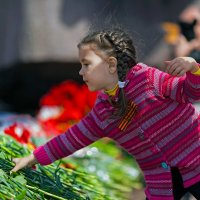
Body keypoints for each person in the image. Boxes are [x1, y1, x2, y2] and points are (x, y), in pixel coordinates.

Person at [11, 28, 200, 200]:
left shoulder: (149, 79)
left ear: (111, 65)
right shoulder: (103, 113)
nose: (81, 72)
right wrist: (32, 157)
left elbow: (191, 92)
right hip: (162, 185)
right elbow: (70, 139)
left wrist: (193, 68)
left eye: (86, 64)